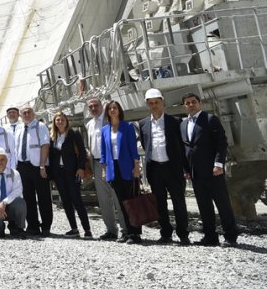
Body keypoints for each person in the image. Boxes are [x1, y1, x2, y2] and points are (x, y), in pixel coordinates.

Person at [181, 92, 237, 247]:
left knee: (222, 204)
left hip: (213, 171)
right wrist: (186, 169)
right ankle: (210, 237)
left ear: (200, 103)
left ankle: (230, 236)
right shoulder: (184, 124)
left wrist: (219, 164)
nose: (191, 104)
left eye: (193, 102)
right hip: (195, 173)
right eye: (187, 102)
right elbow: (185, 148)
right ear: (184, 106)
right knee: (204, 206)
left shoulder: (210, 119)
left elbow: (221, 142)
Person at [139, 88, 189, 245]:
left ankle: (183, 234)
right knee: (160, 204)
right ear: (147, 105)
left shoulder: (175, 122)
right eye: (151, 103)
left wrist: (185, 168)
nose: (154, 106)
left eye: (157, 102)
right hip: (155, 169)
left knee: (179, 202)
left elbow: (182, 147)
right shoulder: (143, 124)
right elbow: (145, 144)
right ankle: (166, 233)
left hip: (173, 168)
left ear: (162, 102)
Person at [100, 100, 142, 244]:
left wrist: (136, 166)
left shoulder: (127, 126)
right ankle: (127, 232)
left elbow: (133, 148)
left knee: (131, 200)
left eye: (115, 108)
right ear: (107, 112)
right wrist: (105, 170)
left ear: (119, 110)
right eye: (110, 108)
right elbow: (104, 152)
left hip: (127, 167)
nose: (112, 110)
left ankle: (135, 233)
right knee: (122, 202)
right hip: (113, 168)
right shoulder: (104, 130)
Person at [86, 97, 126, 240]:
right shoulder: (89, 124)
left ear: (102, 106)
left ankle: (125, 229)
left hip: (111, 163)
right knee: (103, 199)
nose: (93, 108)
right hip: (97, 164)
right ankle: (111, 230)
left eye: (96, 105)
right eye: (90, 106)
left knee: (117, 196)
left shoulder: (109, 120)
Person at [49, 111, 92, 238]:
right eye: (57, 120)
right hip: (59, 173)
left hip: (72, 172)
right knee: (66, 201)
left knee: (77, 200)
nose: (60, 122)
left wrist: (80, 168)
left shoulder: (74, 134)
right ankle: (74, 229)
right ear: (54, 122)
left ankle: (87, 230)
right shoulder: (53, 137)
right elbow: (51, 156)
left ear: (66, 121)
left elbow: (82, 152)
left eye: (62, 119)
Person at [14, 104, 52, 237]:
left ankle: (46, 226)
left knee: (43, 197)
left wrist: (42, 165)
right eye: (24, 113)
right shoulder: (19, 128)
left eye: (29, 112)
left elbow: (45, 145)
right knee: (28, 197)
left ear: (33, 113)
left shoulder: (40, 126)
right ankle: (33, 225)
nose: (26, 115)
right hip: (23, 166)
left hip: (37, 166)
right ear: (20, 115)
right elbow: (16, 148)